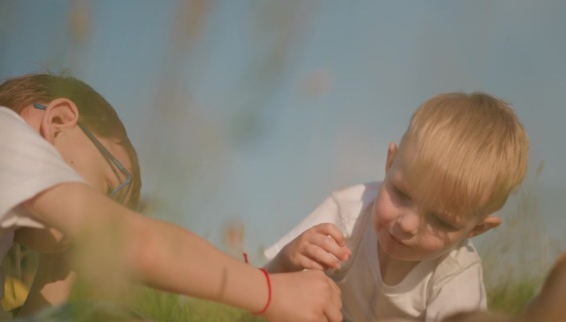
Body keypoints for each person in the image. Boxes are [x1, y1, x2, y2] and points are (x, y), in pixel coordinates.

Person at [0, 73, 342, 322]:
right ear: (59, 120)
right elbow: (136, 242)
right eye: (109, 189)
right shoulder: (6, 135)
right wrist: (271, 292)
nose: (105, 213)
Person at [264, 92, 529, 321]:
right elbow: (261, 289)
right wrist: (287, 259)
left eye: (441, 221)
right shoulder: (349, 212)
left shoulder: (455, 274)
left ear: (476, 228)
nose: (408, 224)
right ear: (390, 164)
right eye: (402, 194)